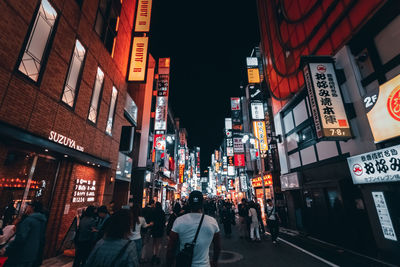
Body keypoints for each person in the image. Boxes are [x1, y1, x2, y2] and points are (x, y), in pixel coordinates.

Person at [166, 191, 221, 267]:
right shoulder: (212, 222)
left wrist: (169, 263)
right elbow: (217, 246)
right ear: (202, 204)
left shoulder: (179, 221)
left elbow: (170, 247)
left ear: (189, 203)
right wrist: (215, 261)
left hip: (184, 264)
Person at [3, 201, 47, 267]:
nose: (26, 208)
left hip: (20, 255)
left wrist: (8, 250)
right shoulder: (41, 221)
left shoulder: (28, 220)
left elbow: (20, 238)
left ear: (32, 208)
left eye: (28, 206)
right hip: (32, 255)